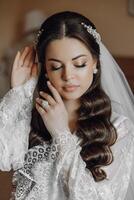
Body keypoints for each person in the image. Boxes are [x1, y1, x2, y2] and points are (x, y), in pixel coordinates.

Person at [0, 11, 134, 200]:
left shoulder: (119, 128)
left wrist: (62, 135)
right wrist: (19, 94)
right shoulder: (32, 116)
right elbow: (4, 159)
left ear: (95, 63)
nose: (68, 76)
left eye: (79, 64)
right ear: (45, 69)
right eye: (56, 66)